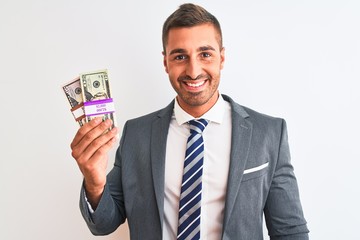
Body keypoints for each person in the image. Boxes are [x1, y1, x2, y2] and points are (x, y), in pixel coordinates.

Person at [71, 3, 309, 239]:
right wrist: (94, 182)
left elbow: (289, 231)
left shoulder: (268, 133)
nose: (193, 71)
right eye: (180, 56)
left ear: (222, 58)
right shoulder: (136, 134)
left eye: (205, 54)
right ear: (166, 62)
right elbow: (103, 224)